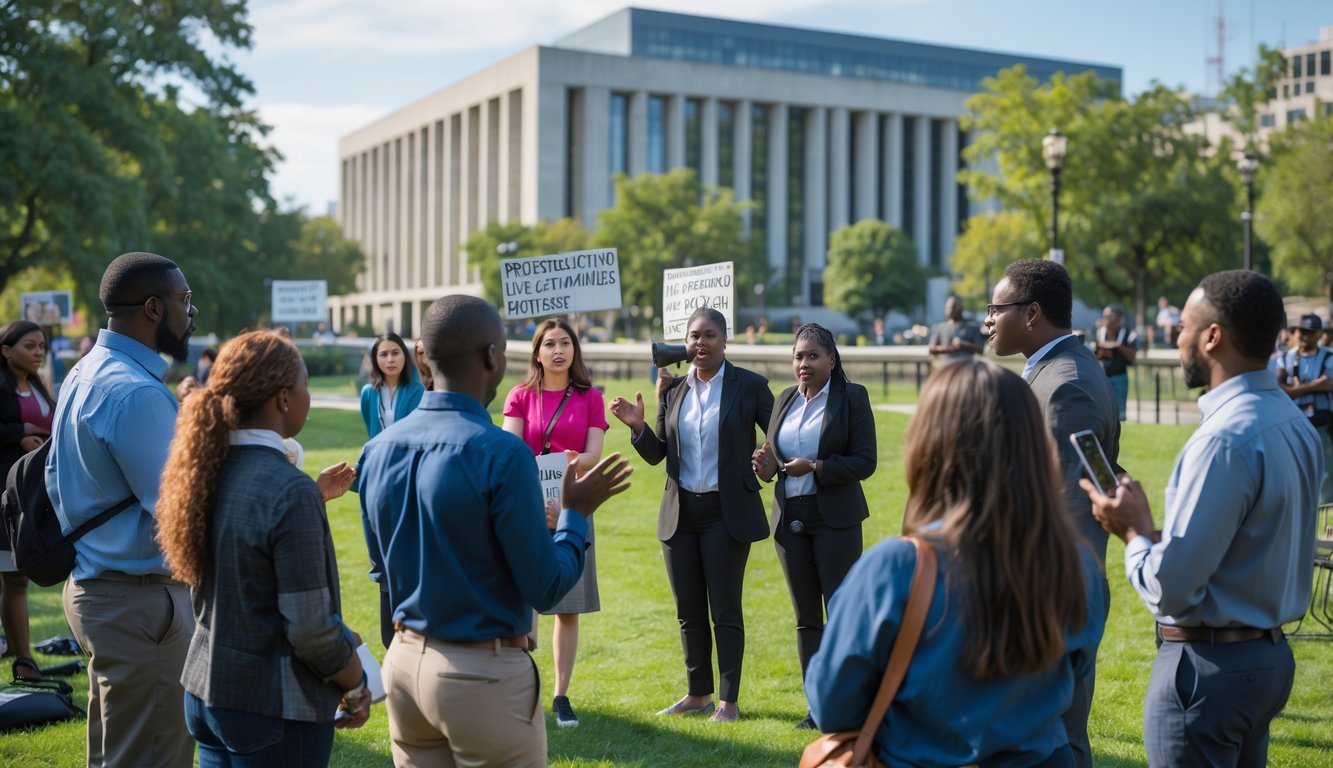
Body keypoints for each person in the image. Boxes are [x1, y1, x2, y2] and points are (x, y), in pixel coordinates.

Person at [358, 295, 631, 767]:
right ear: (491, 356)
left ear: (423, 356)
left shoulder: (377, 450)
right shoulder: (502, 454)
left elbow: (382, 570)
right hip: (480, 674)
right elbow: (546, 588)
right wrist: (575, 513)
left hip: (402, 666)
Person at [806, 359, 1106, 767]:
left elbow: (832, 706)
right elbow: (1073, 679)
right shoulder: (1077, 565)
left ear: (929, 445)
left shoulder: (893, 569)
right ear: (1033, 445)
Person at [1083, 270, 1318, 768]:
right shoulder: (1294, 422)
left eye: (1184, 328)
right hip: (1268, 661)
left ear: (1213, 337)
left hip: (1209, 671)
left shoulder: (1222, 439)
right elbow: (1250, 541)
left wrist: (1132, 532)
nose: (1176, 337)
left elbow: (1169, 589)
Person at [155, 331, 368, 765]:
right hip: (271, 703)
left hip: (204, 692)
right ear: (284, 399)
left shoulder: (202, 474)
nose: (308, 396)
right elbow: (310, 630)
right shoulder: (289, 490)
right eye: (305, 385)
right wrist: (356, 679)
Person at [47, 251, 198, 768]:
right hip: (138, 603)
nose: (190, 311)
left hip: (101, 591)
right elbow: (184, 512)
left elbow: (51, 479)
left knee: (116, 755)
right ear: (154, 309)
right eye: (184, 299)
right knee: (153, 757)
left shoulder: (84, 371)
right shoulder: (135, 393)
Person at [983, 257, 1119, 768]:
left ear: (1033, 312)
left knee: (1051, 740)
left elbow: (1061, 510)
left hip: (1051, 591)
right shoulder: (1058, 371)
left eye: (996, 308)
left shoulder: (1064, 386)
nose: (988, 320)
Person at [609, 306, 774, 723]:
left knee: (724, 608)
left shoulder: (751, 387)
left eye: (709, 335)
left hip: (726, 512)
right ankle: (698, 694)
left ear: (725, 340)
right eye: (694, 336)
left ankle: (728, 701)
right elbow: (658, 455)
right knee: (688, 609)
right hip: (680, 513)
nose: (700, 343)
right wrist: (638, 426)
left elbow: (777, 440)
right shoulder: (674, 390)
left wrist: (768, 459)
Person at [752, 323, 876, 730]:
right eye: (798, 356)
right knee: (806, 619)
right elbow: (774, 464)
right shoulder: (784, 398)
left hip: (835, 519)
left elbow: (865, 461)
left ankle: (851, 707)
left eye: (812, 356)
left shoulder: (851, 397)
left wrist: (818, 467)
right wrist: (765, 466)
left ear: (831, 360)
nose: (803, 364)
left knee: (840, 614)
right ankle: (817, 708)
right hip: (791, 519)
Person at [501, 318, 609, 729]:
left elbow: (592, 454)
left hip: (572, 504)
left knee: (568, 606)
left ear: (575, 350)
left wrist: (565, 472)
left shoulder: (590, 398)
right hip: (524, 506)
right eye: (550, 343)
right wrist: (537, 497)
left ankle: (561, 695)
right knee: (517, 598)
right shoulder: (520, 395)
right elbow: (511, 449)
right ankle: (519, 690)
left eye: (566, 342)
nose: (558, 350)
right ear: (537, 352)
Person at [0, 320, 55, 683]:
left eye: (41, 347)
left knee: (18, 578)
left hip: (29, 496)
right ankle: (22, 659)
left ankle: (24, 660)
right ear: (6, 350)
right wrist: (18, 435)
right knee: (10, 577)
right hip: (2, 495)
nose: (37, 353)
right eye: (29, 346)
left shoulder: (37, 385)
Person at [1277, 313, 1333, 503]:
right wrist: (1313, 385)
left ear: (1319, 334)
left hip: (1322, 423)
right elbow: (1281, 389)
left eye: (1309, 332)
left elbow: (1329, 384)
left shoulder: (1328, 356)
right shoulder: (1286, 357)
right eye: (1301, 331)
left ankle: (1322, 510)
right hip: (1293, 424)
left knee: (1325, 471)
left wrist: (1296, 388)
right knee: (1293, 470)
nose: (1303, 336)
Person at [359, 331, 424, 439]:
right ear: (375, 359)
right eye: (383, 354)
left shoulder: (417, 390)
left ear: (405, 355)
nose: (390, 360)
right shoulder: (368, 393)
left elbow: (415, 431)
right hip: (377, 455)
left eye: (395, 353)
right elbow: (371, 431)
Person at [1094, 304, 1138, 422]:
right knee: (1103, 412)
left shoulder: (1129, 333)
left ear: (1119, 318)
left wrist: (1117, 344)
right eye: (1105, 316)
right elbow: (1098, 355)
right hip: (1103, 376)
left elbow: (1132, 357)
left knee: (1120, 414)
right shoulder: (1101, 332)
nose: (1106, 319)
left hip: (1120, 377)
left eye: (1110, 316)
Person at [927, 295, 984, 366]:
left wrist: (963, 345)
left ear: (961, 308)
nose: (951, 310)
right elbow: (931, 349)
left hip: (967, 367)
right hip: (947, 367)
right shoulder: (940, 327)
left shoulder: (972, 327)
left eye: (954, 307)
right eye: (948, 308)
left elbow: (981, 349)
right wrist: (945, 349)